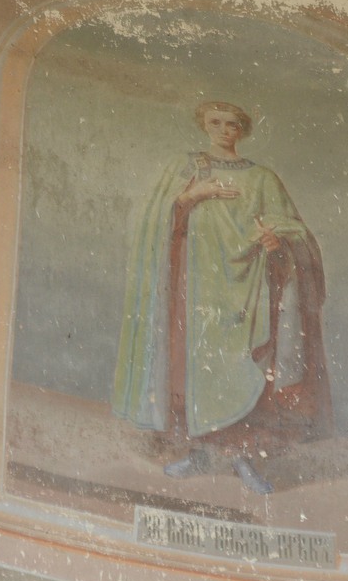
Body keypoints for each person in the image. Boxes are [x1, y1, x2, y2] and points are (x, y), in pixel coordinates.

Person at [113, 101, 332, 493]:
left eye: (232, 124)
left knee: (245, 371)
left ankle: (242, 458)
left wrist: (276, 240)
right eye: (215, 122)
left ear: (242, 130)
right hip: (195, 292)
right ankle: (198, 452)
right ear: (204, 125)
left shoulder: (262, 178)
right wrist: (191, 196)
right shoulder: (187, 169)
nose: (223, 130)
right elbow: (154, 221)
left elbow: (296, 232)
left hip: (249, 295)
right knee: (192, 369)